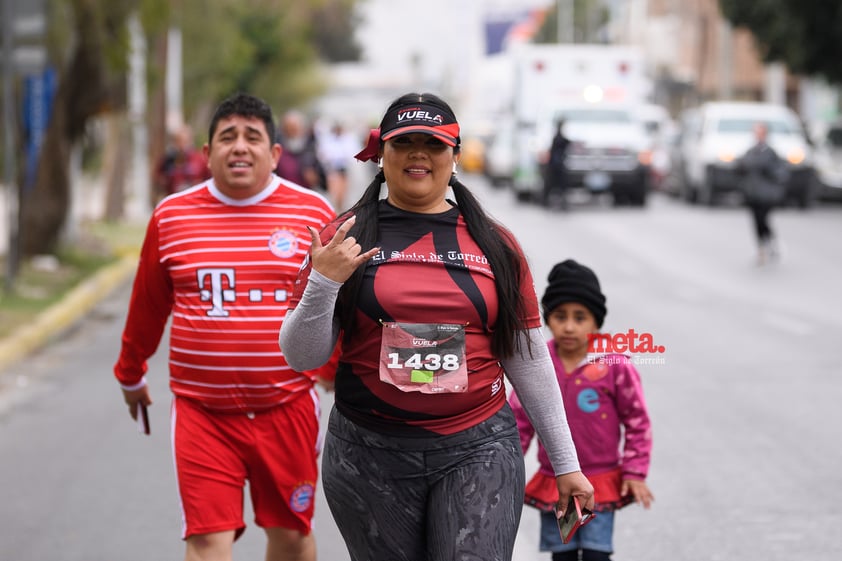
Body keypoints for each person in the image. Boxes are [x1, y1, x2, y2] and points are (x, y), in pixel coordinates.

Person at [278, 92, 594, 561]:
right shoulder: (341, 238)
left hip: (478, 448)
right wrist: (323, 283)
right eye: (404, 143)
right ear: (381, 154)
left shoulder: (496, 244)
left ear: (455, 156)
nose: (419, 154)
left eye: (434, 143)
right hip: (369, 455)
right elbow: (302, 356)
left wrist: (566, 463)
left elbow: (527, 359)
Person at [113, 93, 337, 561]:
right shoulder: (172, 216)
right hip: (203, 414)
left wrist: (331, 370)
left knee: (292, 538)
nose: (240, 147)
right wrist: (131, 372)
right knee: (207, 542)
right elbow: (148, 305)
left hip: (288, 407)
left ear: (275, 154)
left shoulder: (313, 214)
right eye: (227, 137)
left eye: (253, 137)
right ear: (207, 152)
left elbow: (337, 301)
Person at [510, 259, 653, 561]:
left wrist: (635, 471)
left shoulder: (614, 365)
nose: (570, 326)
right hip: (556, 483)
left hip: (601, 482)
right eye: (560, 316)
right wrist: (507, 470)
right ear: (547, 320)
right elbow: (519, 421)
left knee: (596, 555)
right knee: (562, 556)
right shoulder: (539, 363)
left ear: (596, 321)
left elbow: (637, 421)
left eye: (580, 317)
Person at [736, 121, 788, 265]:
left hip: (766, 194)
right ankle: (761, 247)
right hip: (752, 193)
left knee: (763, 219)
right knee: (756, 221)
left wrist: (771, 173)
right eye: (756, 132)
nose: (758, 135)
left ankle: (770, 241)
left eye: (760, 132)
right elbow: (741, 169)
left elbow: (780, 172)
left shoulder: (770, 153)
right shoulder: (750, 152)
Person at [153, 124, 212, 200]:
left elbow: (210, 180)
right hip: (174, 202)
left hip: (196, 201)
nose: (182, 145)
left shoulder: (200, 159)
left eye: (185, 141)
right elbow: (157, 178)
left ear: (191, 140)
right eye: (178, 141)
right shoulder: (167, 159)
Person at [275, 109, 327, 192]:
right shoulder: (277, 149)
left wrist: (316, 178)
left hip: (306, 193)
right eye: (288, 128)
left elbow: (323, 178)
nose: (292, 131)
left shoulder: (311, 148)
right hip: (283, 193)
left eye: (295, 127)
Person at [318, 121, 360, 211]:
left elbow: (352, 153)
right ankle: (336, 208)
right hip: (333, 168)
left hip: (344, 168)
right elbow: (324, 154)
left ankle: (340, 207)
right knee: (335, 191)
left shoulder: (347, 139)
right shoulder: (328, 140)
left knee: (342, 193)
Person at [543, 118, 571, 209]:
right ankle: (548, 201)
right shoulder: (557, 137)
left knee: (558, 184)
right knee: (554, 184)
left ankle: (558, 201)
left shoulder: (558, 137)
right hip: (556, 165)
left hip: (557, 164)